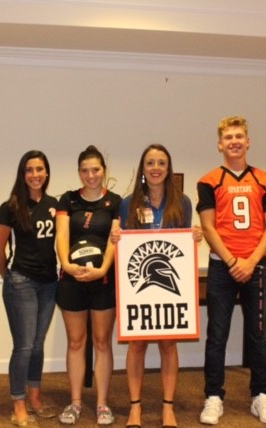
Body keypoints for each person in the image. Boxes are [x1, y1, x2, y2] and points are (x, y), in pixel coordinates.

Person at [111, 144, 202, 428]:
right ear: (143, 168)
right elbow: (124, 243)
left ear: (168, 168)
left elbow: (184, 242)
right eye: (150, 163)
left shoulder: (182, 202)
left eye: (161, 163)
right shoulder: (128, 203)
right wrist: (116, 237)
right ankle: (135, 407)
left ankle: (168, 407)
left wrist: (195, 235)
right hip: (139, 285)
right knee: (136, 344)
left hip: (169, 285)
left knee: (168, 343)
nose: (155, 168)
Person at [196, 116, 266, 425]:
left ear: (248, 142)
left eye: (239, 136)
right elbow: (207, 226)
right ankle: (214, 396)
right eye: (228, 137)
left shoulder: (265, 180)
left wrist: (251, 261)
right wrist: (232, 262)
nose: (234, 141)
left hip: (255, 267)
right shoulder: (208, 181)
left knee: (258, 336)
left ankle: (261, 396)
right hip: (221, 268)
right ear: (220, 144)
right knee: (217, 334)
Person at [55, 145, 121, 426]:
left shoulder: (117, 201)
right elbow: (61, 236)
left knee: (103, 342)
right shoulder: (67, 200)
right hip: (72, 281)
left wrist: (103, 269)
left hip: (103, 280)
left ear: (103, 171)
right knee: (76, 342)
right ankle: (76, 402)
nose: (91, 175)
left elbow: (115, 240)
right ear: (79, 172)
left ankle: (103, 404)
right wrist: (68, 267)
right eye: (85, 170)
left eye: (95, 169)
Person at [0, 150, 59, 427]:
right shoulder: (11, 207)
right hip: (21, 282)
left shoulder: (55, 205)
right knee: (24, 346)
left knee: (38, 345)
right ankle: (17, 402)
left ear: (46, 173)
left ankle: (35, 397)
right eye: (30, 170)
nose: (35, 175)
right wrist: (6, 274)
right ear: (23, 174)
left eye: (40, 169)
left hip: (49, 282)